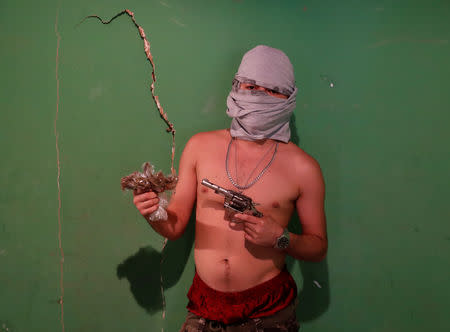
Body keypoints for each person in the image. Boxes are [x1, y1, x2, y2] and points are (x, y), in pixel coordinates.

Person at [133, 45, 327, 332]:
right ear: (236, 86)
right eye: (250, 85)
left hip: (269, 312)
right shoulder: (199, 147)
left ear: (289, 97)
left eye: (272, 90)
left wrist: (281, 238)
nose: (259, 95)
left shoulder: (304, 168)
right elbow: (173, 226)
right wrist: (154, 212)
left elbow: (318, 246)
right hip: (205, 308)